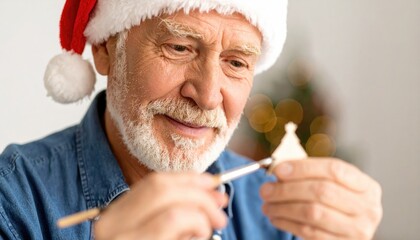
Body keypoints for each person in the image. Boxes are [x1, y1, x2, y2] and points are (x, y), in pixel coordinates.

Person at [0, 0, 383, 239]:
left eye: (236, 62)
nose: (207, 94)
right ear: (104, 47)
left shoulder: (277, 210)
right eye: (179, 47)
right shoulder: (15, 197)